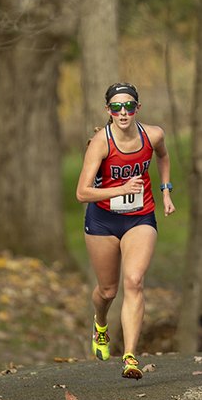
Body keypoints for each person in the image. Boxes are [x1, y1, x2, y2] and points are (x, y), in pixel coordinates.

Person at [75, 81, 175, 379]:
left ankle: (130, 356)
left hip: (140, 217)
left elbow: (164, 157)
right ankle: (100, 324)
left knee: (134, 280)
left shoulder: (153, 134)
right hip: (103, 220)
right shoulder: (100, 144)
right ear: (108, 110)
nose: (123, 112)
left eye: (129, 106)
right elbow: (81, 193)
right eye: (116, 107)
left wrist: (166, 190)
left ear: (137, 108)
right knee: (108, 291)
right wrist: (118, 189)